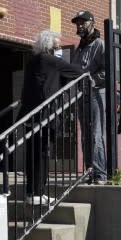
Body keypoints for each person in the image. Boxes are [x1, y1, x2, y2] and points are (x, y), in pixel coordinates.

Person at [20, 30, 85, 204]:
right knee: (42, 154)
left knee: (32, 154)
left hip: (29, 114)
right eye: (57, 46)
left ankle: (31, 192)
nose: (58, 49)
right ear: (50, 47)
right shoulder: (53, 62)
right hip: (45, 115)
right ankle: (38, 193)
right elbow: (79, 72)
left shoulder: (32, 61)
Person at [70, 10, 108, 184]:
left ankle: (100, 174)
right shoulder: (80, 48)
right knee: (85, 135)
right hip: (81, 95)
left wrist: (91, 79)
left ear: (92, 23)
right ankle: (88, 172)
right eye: (77, 23)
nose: (79, 25)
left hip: (95, 94)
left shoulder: (100, 45)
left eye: (83, 22)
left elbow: (107, 71)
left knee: (95, 134)